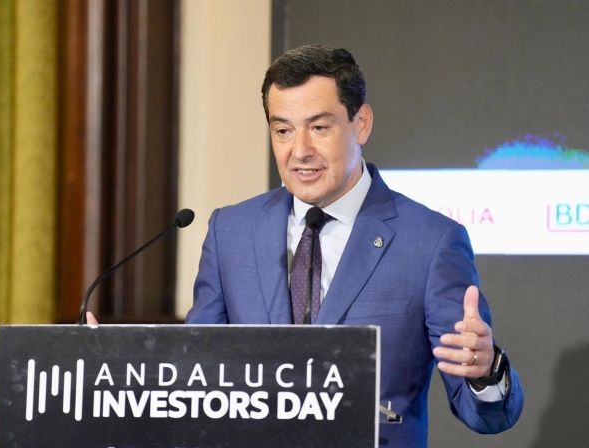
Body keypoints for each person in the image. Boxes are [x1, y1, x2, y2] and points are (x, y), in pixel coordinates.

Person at [186, 44, 524, 446]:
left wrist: (485, 372)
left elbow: (484, 416)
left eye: (319, 127)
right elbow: (193, 374)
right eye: (283, 131)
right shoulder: (230, 232)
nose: (300, 151)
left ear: (361, 124)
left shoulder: (431, 242)